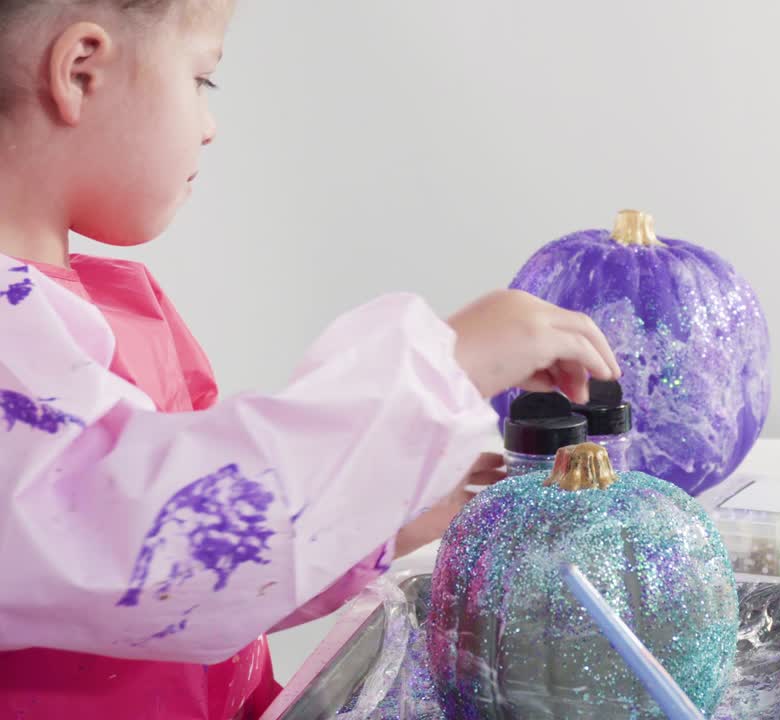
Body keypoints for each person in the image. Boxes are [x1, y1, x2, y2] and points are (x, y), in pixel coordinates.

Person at [0, 1, 620, 717]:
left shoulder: (101, 308)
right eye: (204, 78)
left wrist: (396, 510)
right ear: (81, 70)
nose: (209, 125)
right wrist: (443, 365)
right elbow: (154, 542)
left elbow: (213, 579)